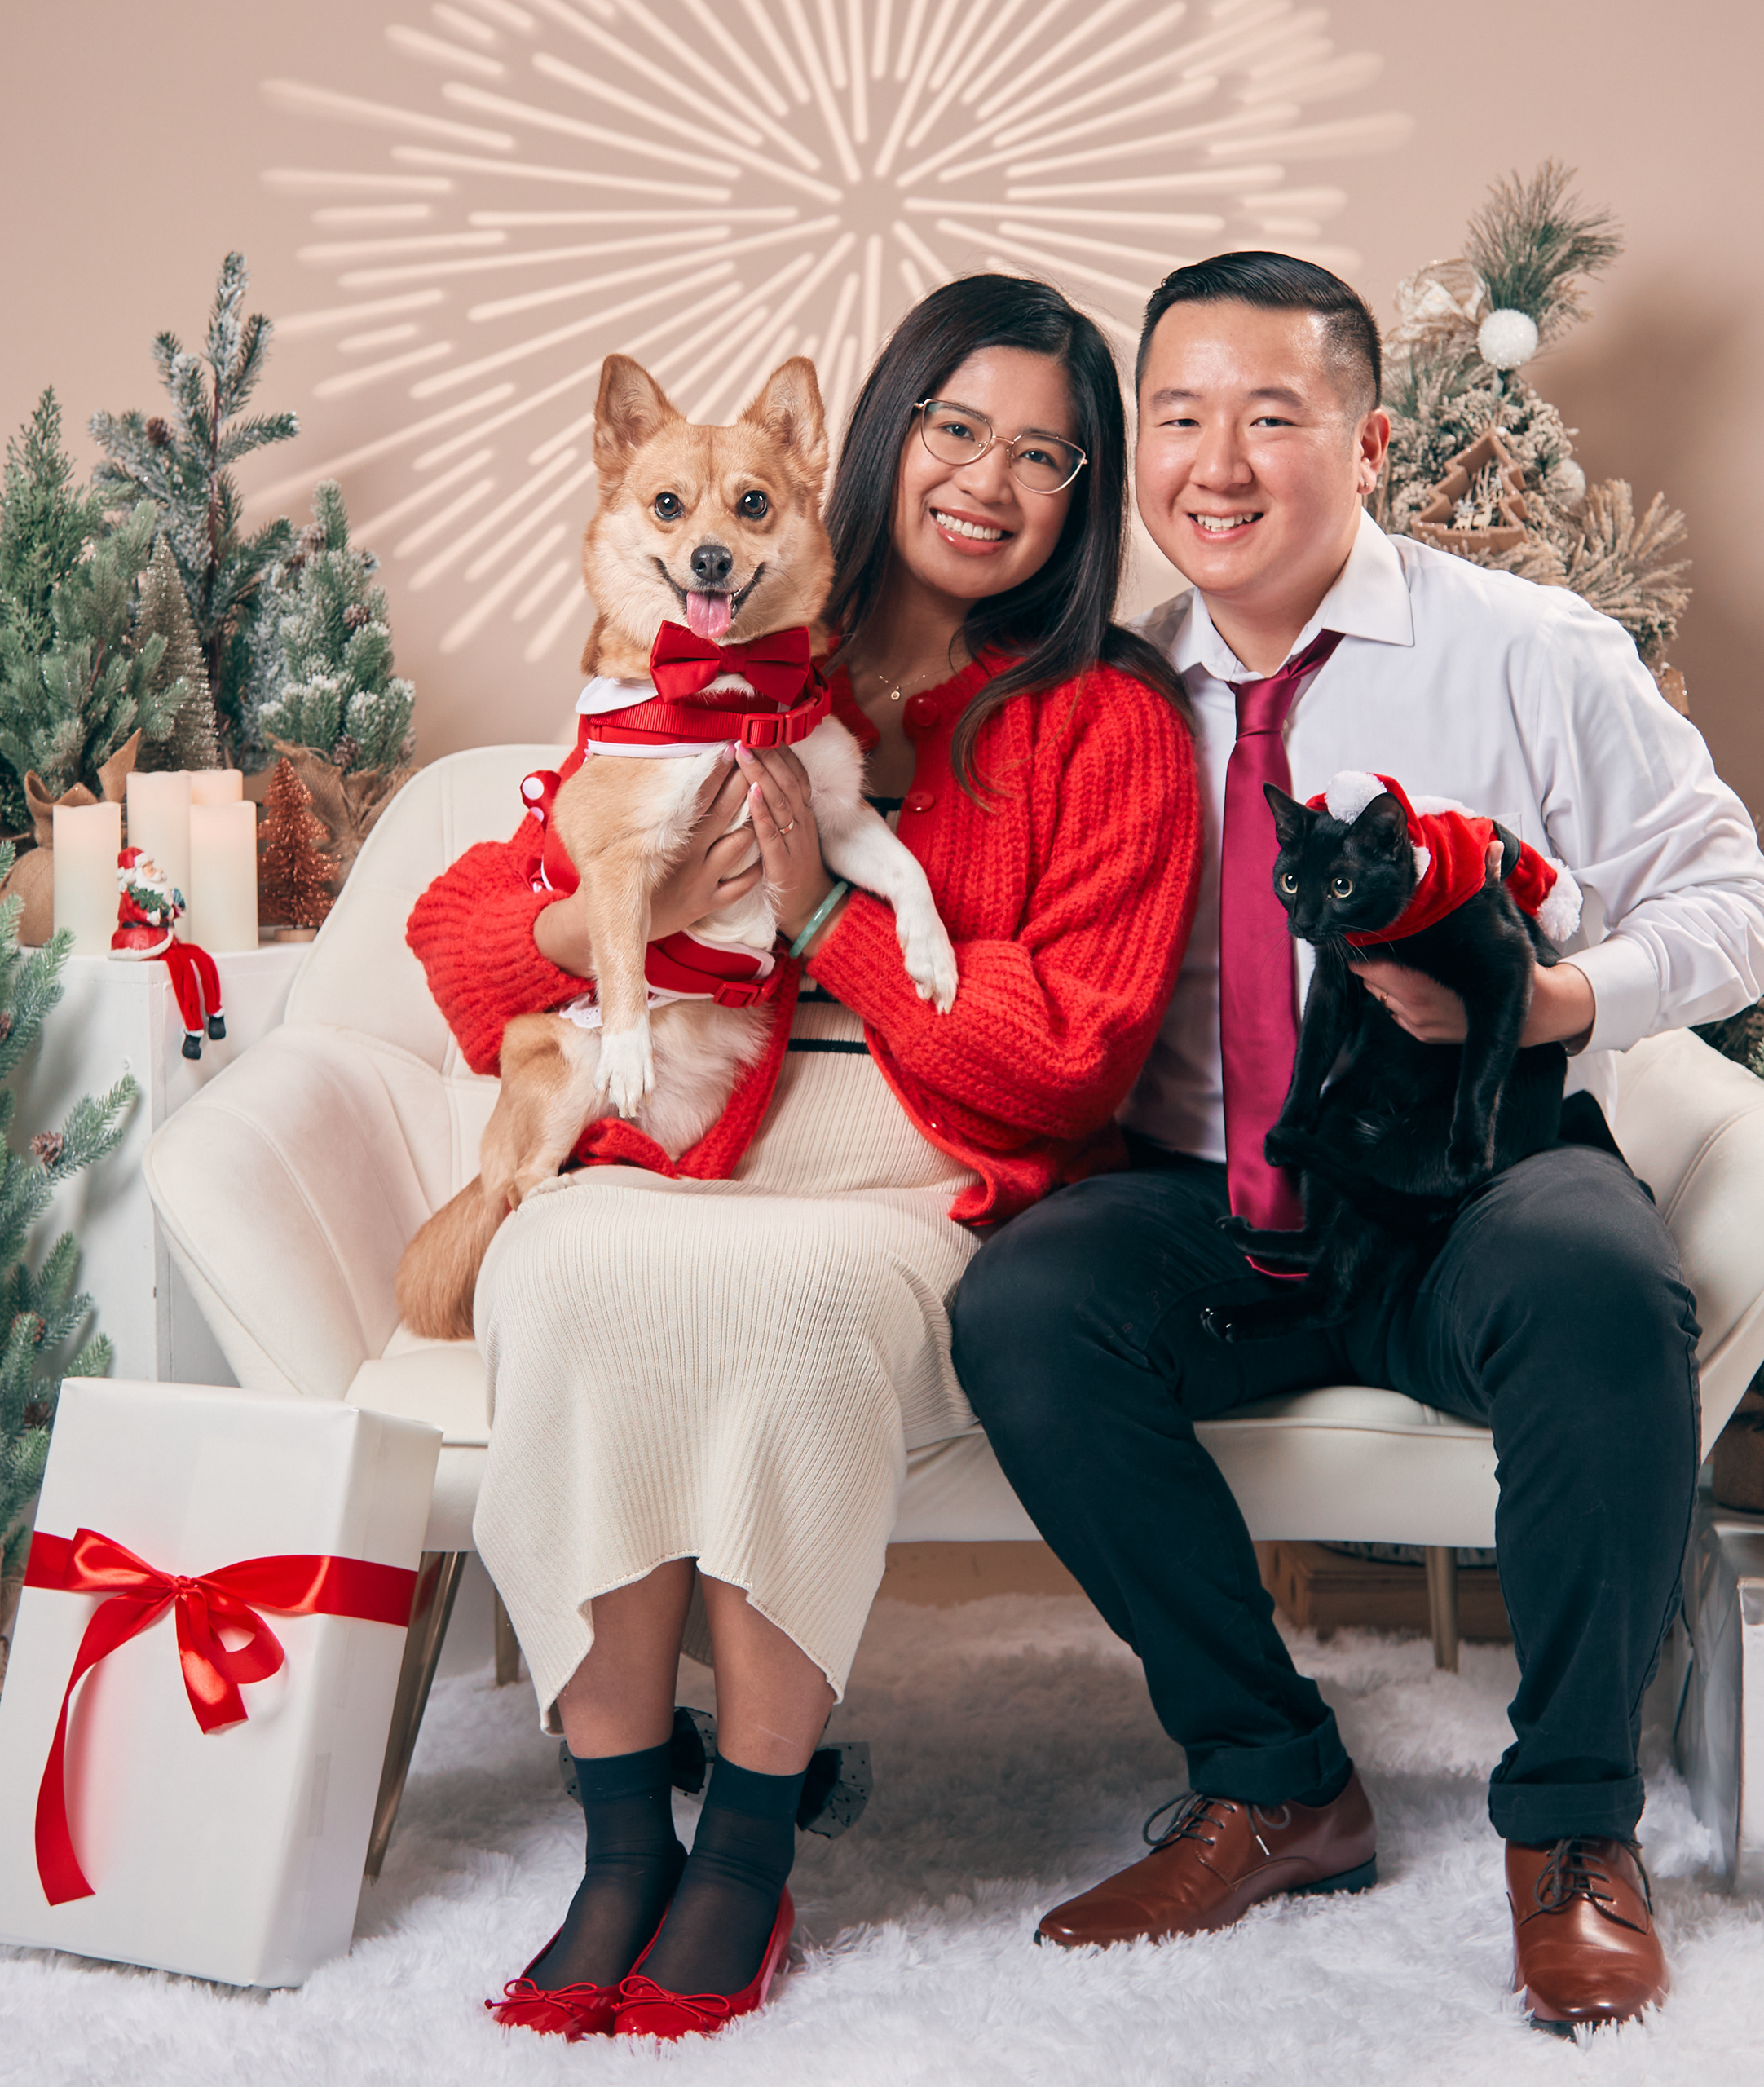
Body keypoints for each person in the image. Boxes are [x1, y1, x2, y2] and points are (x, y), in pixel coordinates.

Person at [950, 253, 1764, 2028]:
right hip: (1209, 1206)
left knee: (1595, 1280)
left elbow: (1744, 911)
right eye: (1178, 417)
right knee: (1026, 1306)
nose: (1218, 465)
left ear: (1370, 442)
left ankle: (1573, 1829)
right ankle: (1273, 1779)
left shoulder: (1529, 652)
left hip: (1468, 1176)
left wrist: (1556, 1001)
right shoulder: (1107, 690)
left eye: (1273, 416)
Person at [405, 272, 1199, 2037]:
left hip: (910, 1167)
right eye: (956, 427)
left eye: (1047, 455)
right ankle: (621, 1841)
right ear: (883, 435)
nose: (989, 478)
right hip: (680, 1136)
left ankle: (749, 1850)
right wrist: (628, 914)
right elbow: (462, 944)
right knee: (568, 1266)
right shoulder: (722, 639)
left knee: (781, 1305)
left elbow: (1068, 1062)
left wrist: (831, 914)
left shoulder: (1107, 720)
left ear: (1084, 498)